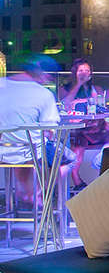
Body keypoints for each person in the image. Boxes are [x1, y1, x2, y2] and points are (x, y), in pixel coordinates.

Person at [0, 55, 61, 203]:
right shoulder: (43, 94)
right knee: (66, 158)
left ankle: (26, 194)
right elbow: (50, 130)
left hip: (2, 150)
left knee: (26, 149)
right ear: (43, 74)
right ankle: (47, 201)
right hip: (30, 152)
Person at [59, 58, 109, 188]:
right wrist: (78, 84)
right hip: (77, 127)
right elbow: (65, 104)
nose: (84, 73)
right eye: (81, 70)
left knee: (106, 133)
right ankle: (76, 178)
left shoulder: (97, 89)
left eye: (87, 70)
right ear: (74, 72)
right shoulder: (64, 89)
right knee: (79, 137)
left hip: (96, 127)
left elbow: (100, 107)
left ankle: (100, 176)